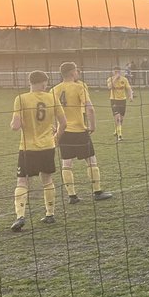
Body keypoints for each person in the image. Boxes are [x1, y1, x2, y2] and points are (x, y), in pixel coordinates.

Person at [10, 70, 64, 231]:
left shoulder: (21, 99)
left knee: (22, 181)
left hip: (28, 148)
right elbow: (64, 123)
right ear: (43, 83)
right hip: (48, 146)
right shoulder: (52, 98)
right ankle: (50, 214)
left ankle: (20, 216)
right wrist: (56, 138)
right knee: (47, 180)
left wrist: (16, 123)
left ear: (30, 83)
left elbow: (15, 126)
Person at [53, 62, 112, 204]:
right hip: (79, 130)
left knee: (66, 164)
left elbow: (51, 112)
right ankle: (97, 191)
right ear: (73, 73)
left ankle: (72, 196)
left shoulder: (54, 90)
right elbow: (90, 108)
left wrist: (55, 128)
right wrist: (92, 125)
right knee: (91, 161)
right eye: (77, 71)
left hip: (64, 131)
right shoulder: (80, 87)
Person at [106, 66, 134, 142]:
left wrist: (131, 96)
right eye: (115, 72)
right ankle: (120, 135)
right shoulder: (110, 79)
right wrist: (115, 78)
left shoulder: (124, 80)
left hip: (122, 100)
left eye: (118, 72)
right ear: (113, 72)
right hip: (114, 100)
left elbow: (129, 88)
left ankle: (117, 130)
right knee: (117, 117)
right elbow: (109, 87)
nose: (117, 73)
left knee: (121, 118)